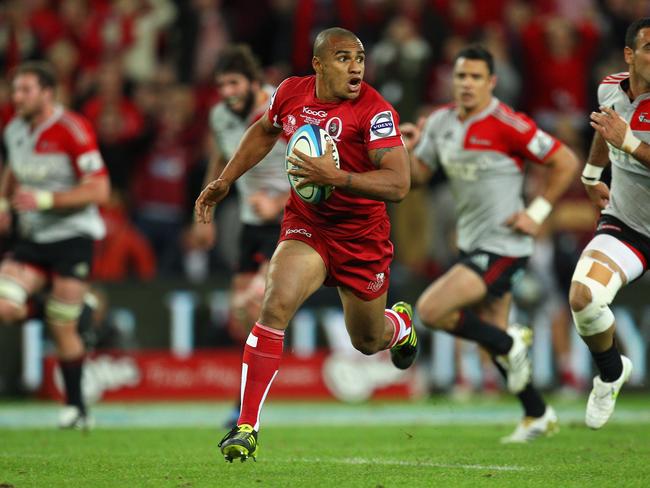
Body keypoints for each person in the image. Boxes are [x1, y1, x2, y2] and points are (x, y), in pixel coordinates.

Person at [195, 27, 417, 462]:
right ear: (318, 64)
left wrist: (337, 178)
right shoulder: (291, 93)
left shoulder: (375, 112)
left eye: (360, 57)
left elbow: (399, 183)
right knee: (274, 304)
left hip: (361, 238)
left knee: (368, 341)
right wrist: (224, 180)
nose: (355, 66)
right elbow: (263, 131)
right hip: (308, 226)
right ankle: (246, 426)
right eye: (343, 57)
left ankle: (401, 326)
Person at [402, 45, 578, 442]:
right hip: (470, 242)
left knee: (430, 310)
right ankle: (537, 413)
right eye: (461, 76)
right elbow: (419, 177)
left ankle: (509, 340)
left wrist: (536, 213)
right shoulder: (440, 122)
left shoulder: (507, 123)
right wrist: (408, 148)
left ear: (491, 82)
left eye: (476, 77)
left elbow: (565, 160)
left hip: (505, 245)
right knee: (497, 343)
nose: (467, 84)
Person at [0, 61, 110, 429]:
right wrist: (4, 203)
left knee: (61, 329)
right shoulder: (15, 128)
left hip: (72, 236)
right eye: (15, 90)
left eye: (25, 90)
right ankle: (73, 306)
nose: (17, 97)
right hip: (33, 238)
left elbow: (100, 189)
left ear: (48, 92)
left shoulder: (73, 130)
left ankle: (77, 409)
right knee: (5, 306)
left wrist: (46, 200)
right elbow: (14, 169)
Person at [187, 44, 291, 427]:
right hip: (250, 223)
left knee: (253, 302)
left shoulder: (280, 114)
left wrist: (280, 200)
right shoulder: (220, 116)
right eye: (221, 85)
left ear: (253, 82)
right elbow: (220, 157)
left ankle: (245, 409)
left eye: (234, 83)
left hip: (290, 220)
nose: (226, 92)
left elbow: (318, 167)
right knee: (240, 314)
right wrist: (208, 203)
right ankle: (243, 400)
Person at [568, 17, 650, 429]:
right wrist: (590, 176)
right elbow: (606, 125)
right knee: (583, 298)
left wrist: (630, 143)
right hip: (630, 226)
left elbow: (620, 136)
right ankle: (611, 371)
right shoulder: (609, 87)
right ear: (630, 55)